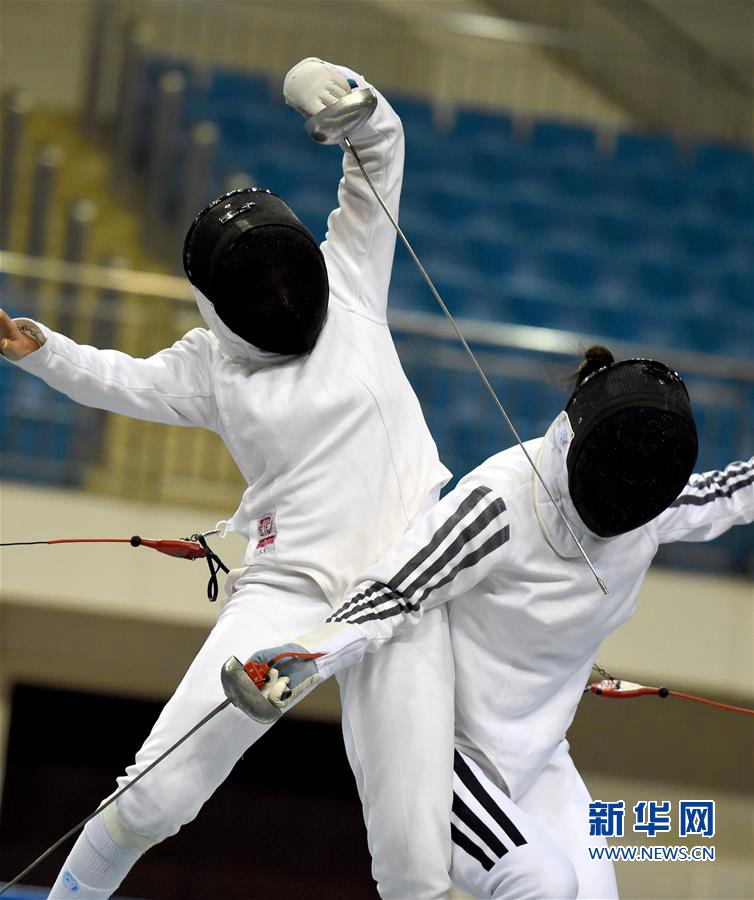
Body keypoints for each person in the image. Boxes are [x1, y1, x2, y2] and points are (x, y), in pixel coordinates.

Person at [0, 58, 456, 899]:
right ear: (216, 304)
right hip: (290, 593)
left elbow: (380, 149)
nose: (280, 295)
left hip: (409, 589)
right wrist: (46, 348)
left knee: (416, 862)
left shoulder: (351, 277)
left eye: (283, 274)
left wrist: (331, 87)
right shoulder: (211, 369)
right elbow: (122, 380)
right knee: (157, 792)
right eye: (255, 288)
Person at [246, 346, 754, 899]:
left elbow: (725, 494)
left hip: (538, 759)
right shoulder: (502, 501)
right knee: (540, 882)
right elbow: (395, 588)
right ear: (575, 447)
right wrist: (306, 656)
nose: (622, 505)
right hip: (447, 752)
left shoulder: (648, 508)